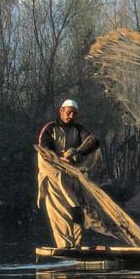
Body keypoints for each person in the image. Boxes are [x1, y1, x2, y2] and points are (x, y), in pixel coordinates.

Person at [37, 99, 100, 248]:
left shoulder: (78, 129)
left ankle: (76, 245)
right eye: (68, 112)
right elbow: (45, 147)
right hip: (52, 176)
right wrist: (59, 159)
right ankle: (65, 245)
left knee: (77, 210)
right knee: (59, 211)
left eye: (73, 113)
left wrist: (77, 152)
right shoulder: (50, 128)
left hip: (69, 176)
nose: (70, 116)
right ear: (61, 111)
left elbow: (93, 142)